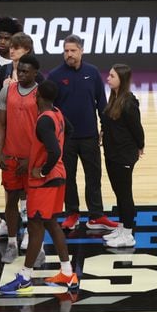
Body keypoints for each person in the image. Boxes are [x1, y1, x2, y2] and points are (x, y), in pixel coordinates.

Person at [0, 80, 79, 293]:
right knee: (52, 223)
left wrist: (42, 169)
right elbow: (69, 131)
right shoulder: (57, 113)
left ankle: (25, 277)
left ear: (37, 97)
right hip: (59, 176)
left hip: (44, 180)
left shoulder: (44, 120)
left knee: (36, 227)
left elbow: (54, 150)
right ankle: (67, 272)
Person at [48, 34, 118, 230]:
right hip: (66, 138)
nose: (69, 54)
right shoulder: (54, 75)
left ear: (81, 51)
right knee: (68, 177)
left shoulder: (93, 72)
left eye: (73, 50)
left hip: (89, 135)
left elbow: (101, 103)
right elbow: (49, 107)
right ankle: (72, 213)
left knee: (93, 176)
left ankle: (96, 215)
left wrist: (104, 128)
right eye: (66, 51)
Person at [0, 54, 41, 264]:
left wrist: (32, 158)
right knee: (11, 200)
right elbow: (1, 124)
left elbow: (44, 129)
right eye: (19, 70)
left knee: (33, 204)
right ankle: (12, 243)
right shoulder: (7, 90)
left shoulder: (41, 93)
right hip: (11, 156)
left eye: (25, 71)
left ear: (35, 73)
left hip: (33, 159)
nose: (20, 74)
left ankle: (33, 244)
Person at [101, 64, 145, 247]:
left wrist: (140, 146)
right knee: (119, 192)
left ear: (122, 79)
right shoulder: (114, 98)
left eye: (112, 76)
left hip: (124, 155)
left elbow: (137, 128)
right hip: (112, 153)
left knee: (125, 194)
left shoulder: (128, 102)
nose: (108, 78)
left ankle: (128, 234)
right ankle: (121, 226)